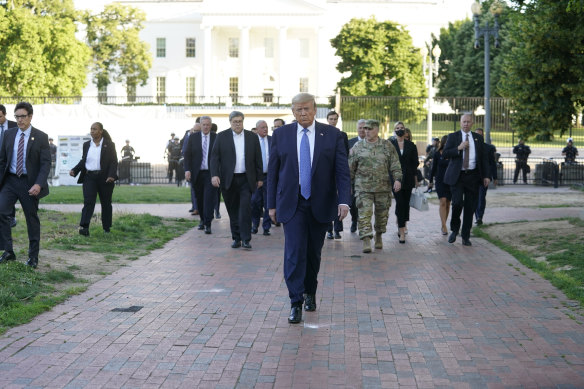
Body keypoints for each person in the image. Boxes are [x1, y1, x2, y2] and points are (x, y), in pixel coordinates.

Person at [267, 92, 351, 324]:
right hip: (292, 204)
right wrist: (270, 205)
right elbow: (273, 172)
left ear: (315, 110)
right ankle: (295, 302)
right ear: (293, 112)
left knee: (313, 253)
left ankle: (309, 292)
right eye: (298, 110)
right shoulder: (281, 135)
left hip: (321, 203)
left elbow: (342, 172)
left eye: (307, 109)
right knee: (294, 252)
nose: (303, 113)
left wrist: (344, 200)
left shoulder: (332, 135)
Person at [0, 102, 51, 269]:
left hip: (29, 183)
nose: (19, 120)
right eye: (17, 116)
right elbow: (2, 160)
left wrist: (38, 184)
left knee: (31, 218)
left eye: (23, 116)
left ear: (30, 117)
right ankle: (8, 251)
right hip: (10, 180)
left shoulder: (41, 137)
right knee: (1, 211)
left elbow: (45, 164)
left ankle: (33, 256)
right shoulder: (8, 134)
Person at [210, 111, 263, 250]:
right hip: (229, 180)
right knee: (233, 210)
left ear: (243, 122)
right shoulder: (222, 137)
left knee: (245, 209)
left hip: (246, 179)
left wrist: (260, 178)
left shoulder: (252, 137)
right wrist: (214, 175)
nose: (237, 124)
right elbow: (214, 157)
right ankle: (236, 238)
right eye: (235, 121)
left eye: (240, 121)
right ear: (230, 122)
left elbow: (258, 158)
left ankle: (246, 239)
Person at [349, 119, 402, 253]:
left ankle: (378, 236)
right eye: (365, 129)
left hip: (382, 188)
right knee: (364, 214)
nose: (366, 131)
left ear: (377, 130)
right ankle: (366, 239)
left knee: (382, 215)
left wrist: (397, 179)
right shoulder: (357, 147)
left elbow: (395, 165)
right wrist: (348, 184)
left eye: (370, 129)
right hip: (363, 188)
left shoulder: (387, 146)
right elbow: (350, 168)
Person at [443, 113, 490, 246]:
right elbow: (445, 154)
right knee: (457, 203)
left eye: (468, 122)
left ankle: (466, 236)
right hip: (457, 176)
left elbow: (484, 158)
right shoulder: (453, 137)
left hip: (473, 176)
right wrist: (458, 148)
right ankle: (454, 229)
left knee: (470, 207)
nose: (466, 124)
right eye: (464, 121)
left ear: (472, 123)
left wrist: (486, 175)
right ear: (460, 122)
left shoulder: (478, 138)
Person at [69, 123, 118, 236]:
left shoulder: (109, 145)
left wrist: (111, 175)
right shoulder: (87, 145)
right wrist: (75, 170)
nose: (92, 131)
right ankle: (84, 227)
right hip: (89, 177)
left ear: (100, 131)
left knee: (106, 203)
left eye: (94, 129)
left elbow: (113, 162)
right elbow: (84, 160)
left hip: (105, 178)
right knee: (88, 202)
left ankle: (106, 228)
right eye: (91, 129)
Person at [184, 116, 217, 234]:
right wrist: (187, 170)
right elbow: (187, 154)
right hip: (197, 173)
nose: (206, 127)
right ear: (200, 125)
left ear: (211, 126)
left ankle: (208, 223)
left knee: (208, 198)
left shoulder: (216, 138)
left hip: (211, 174)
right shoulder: (193, 137)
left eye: (208, 125)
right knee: (200, 198)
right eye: (204, 125)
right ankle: (203, 220)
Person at [390, 121, 419, 244]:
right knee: (400, 202)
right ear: (394, 130)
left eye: (402, 128)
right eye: (397, 128)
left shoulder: (411, 145)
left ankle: (402, 223)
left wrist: (413, 175)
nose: (400, 130)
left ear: (405, 130)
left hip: (408, 179)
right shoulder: (390, 144)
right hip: (395, 179)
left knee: (405, 204)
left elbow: (415, 162)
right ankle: (401, 231)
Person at [325, 110, 349, 240]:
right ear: (327, 119)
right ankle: (329, 229)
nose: (333, 121)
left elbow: (344, 155)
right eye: (331, 119)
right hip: (326, 173)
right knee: (328, 201)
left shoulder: (342, 135)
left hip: (338, 172)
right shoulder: (322, 133)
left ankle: (337, 229)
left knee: (340, 200)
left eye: (335, 119)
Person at [251, 120, 272, 236]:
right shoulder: (253, 141)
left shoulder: (272, 140)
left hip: (269, 176)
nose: (265, 129)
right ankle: (254, 224)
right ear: (257, 129)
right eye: (263, 127)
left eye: (266, 127)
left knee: (268, 202)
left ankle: (266, 227)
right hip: (256, 177)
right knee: (255, 202)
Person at [428, 135, 451, 235]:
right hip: (440, 180)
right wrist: (430, 181)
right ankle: (444, 226)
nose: (446, 145)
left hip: (450, 181)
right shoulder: (437, 154)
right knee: (442, 201)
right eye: (445, 143)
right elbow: (433, 168)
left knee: (448, 203)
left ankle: (443, 224)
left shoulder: (453, 154)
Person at [0, 104, 18, 229]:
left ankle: (11, 217)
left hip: (9, 164)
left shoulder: (15, 126)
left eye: (0, 116)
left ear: (5, 115)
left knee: (9, 190)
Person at [475, 128, 497, 226]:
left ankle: (479, 217)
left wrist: (495, 177)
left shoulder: (488, 148)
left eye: (480, 135)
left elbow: (492, 163)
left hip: (484, 177)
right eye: (476, 135)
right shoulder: (469, 147)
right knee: (473, 197)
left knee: (481, 197)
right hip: (471, 177)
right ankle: (476, 216)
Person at [347, 119, 366, 233]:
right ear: (357, 129)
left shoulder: (371, 142)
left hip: (366, 179)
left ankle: (363, 224)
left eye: (364, 128)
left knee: (364, 202)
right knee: (353, 203)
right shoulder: (350, 142)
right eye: (360, 128)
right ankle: (354, 219)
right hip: (353, 178)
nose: (362, 130)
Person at [182, 124, 200, 215]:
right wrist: (187, 169)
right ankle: (195, 207)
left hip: (204, 170)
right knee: (194, 189)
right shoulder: (189, 137)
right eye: (195, 131)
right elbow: (185, 152)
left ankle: (198, 208)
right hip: (193, 169)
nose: (196, 132)